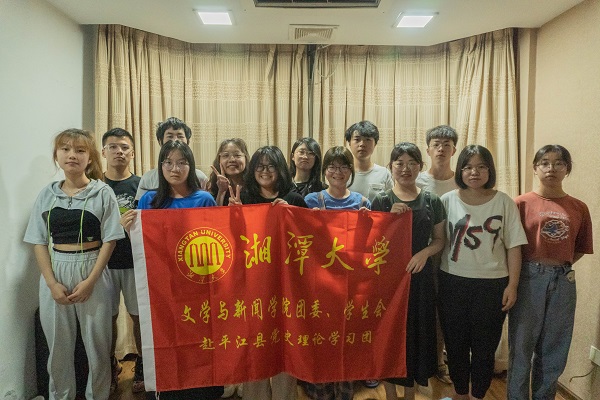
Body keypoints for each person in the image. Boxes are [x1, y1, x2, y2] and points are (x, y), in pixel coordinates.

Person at [24, 129, 124, 400]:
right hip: (56, 270)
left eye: (80, 150)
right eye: (65, 149)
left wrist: (91, 281)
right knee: (58, 348)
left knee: (98, 346)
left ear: (90, 158)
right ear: (56, 155)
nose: (72, 155)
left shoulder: (102, 192)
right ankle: (61, 396)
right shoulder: (46, 195)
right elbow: (38, 241)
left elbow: (110, 240)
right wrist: (51, 283)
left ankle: (97, 395)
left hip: (93, 269)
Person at [121, 140, 223, 400]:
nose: (175, 169)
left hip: (197, 285)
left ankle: (202, 388)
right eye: (168, 162)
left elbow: (214, 242)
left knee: (198, 340)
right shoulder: (150, 199)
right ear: (160, 166)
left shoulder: (204, 199)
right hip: (162, 288)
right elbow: (142, 245)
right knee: (165, 337)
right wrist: (129, 228)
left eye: (181, 162)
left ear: (190, 166)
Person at [438, 145, 527, 400]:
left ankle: (478, 395)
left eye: (481, 167)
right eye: (467, 167)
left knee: (485, 348)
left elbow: (514, 247)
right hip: (452, 281)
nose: (474, 172)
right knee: (455, 345)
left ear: (490, 170)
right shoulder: (447, 200)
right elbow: (438, 241)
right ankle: (459, 394)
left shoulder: (504, 202)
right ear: (460, 171)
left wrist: (512, 285)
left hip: (492, 285)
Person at [507, 145, 593, 400]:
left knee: (555, 348)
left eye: (559, 163)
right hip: (528, 278)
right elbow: (510, 247)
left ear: (567, 169)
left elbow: (580, 248)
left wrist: (557, 266)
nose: (551, 168)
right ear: (535, 168)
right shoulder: (520, 203)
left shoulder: (579, 207)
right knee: (521, 346)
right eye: (544, 163)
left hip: (563, 280)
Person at [229, 145, 306, 400]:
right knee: (255, 346)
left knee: (285, 346)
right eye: (260, 166)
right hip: (252, 287)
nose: (265, 171)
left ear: (280, 169)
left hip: (287, 287)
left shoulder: (294, 199)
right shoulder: (245, 197)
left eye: (271, 165)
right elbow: (232, 243)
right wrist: (235, 214)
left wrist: (292, 214)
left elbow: (308, 240)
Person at [371, 143, 446, 400]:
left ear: (420, 167)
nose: (406, 169)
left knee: (417, 334)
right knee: (389, 336)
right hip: (388, 281)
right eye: (399, 163)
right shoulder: (382, 200)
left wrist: (423, 254)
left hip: (420, 278)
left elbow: (439, 240)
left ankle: (411, 393)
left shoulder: (432, 200)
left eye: (412, 163)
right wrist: (387, 219)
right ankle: (391, 393)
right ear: (390, 167)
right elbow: (370, 242)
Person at [301, 146, 370, 400]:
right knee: (321, 338)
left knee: (346, 339)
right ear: (324, 170)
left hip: (351, 283)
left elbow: (369, 246)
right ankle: (320, 391)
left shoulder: (363, 203)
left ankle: (344, 391)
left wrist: (367, 223)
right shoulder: (312, 201)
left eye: (343, 167)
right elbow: (302, 241)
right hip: (319, 283)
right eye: (332, 167)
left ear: (351, 171)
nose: (337, 172)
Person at [100, 128, 144, 393]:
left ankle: (141, 366)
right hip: (103, 264)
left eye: (125, 147)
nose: (119, 152)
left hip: (136, 262)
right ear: (103, 152)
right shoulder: (95, 185)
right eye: (113, 147)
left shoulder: (142, 185)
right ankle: (110, 366)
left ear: (133, 153)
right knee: (108, 319)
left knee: (139, 317)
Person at [416, 125, 459, 385]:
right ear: (428, 149)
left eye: (446, 144)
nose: (441, 149)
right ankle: (427, 360)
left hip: (457, 256)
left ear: (454, 150)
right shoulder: (416, 180)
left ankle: (444, 361)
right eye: (436, 144)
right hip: (425, 256)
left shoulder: (462, 180)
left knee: (448, 312)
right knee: (425, 311)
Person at [135, 117, 208, 201]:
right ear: (160, 141)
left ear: (188, 141)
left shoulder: (200, 178)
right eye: (170, 136)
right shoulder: (148, 179)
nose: (175, 140)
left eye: (180, 136)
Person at [344, 120, 393, 204]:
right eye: (357, 139)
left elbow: (391, 202)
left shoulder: (384, 173)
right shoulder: (341, 173)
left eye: (367, 139)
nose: (362, 144)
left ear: (375, 144)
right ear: (349, 143)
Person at [207, 138, 250, 207]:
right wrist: (221, 191)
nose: (232, 160)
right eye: (226, 155)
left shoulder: (254, 184)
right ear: (219, 160)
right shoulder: (212, 185)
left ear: (245, 158)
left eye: (237, 155)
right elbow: (213, 213)